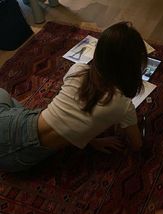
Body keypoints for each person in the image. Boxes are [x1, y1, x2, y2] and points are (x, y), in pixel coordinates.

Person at [0, 21, 147, 172]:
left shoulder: (78, 70)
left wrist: (92, 139)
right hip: (18, 159)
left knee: (3, 95)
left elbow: (71, 113)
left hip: (16, 124)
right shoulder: (123, 105)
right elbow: (137, 145)